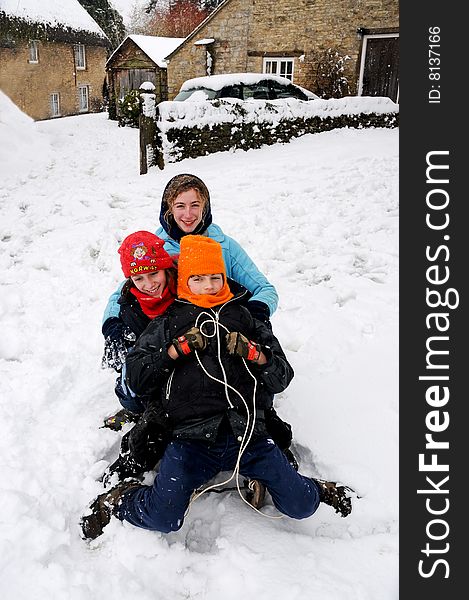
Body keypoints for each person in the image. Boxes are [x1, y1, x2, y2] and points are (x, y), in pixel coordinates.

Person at [81, 236, 354, 540]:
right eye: (198, 279)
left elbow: (282, 377)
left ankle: (316, 488)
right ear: (185, 280)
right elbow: (134, 379)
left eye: (215, 277)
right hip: (190, 440)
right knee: (164, 517)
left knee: (300, 505)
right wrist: (172, 352)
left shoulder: (245, 318)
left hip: (248, 434)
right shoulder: (167, 323)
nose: (209, 286)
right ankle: (119, 499)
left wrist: (257, 355)